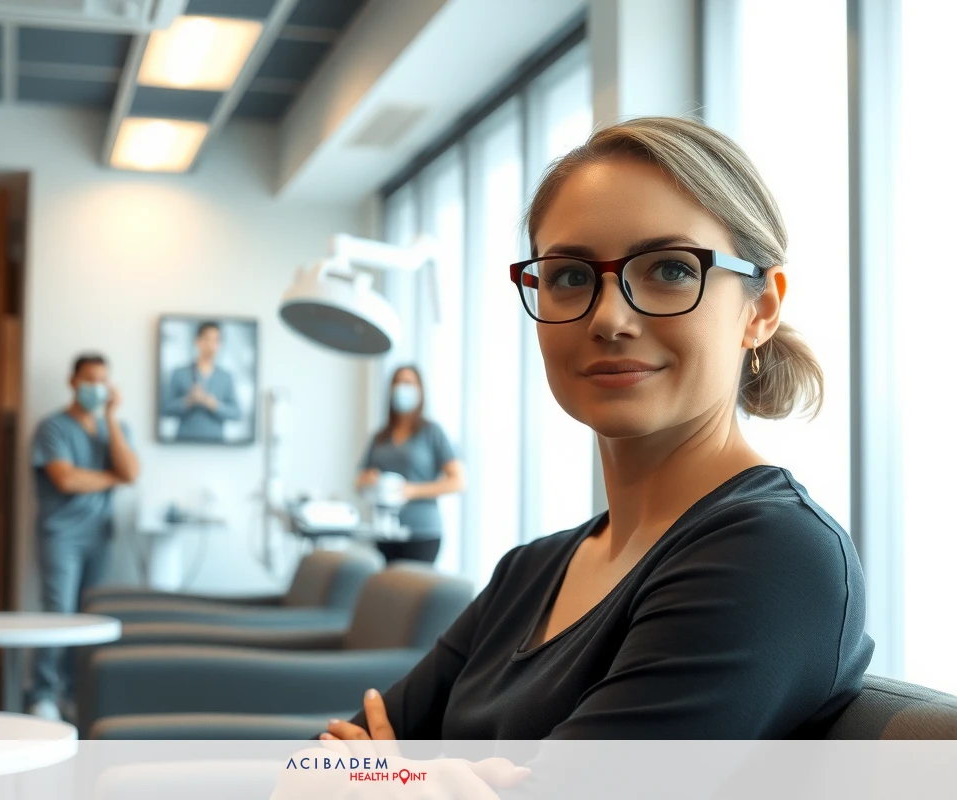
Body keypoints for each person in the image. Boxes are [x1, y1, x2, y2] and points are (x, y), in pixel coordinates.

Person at [323, 117, 874, 742]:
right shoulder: (528, 572)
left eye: (669, 269)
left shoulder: (774, 557)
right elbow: (323, 768)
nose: (610, 317)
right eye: (569, 276)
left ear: (761, 309)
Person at [28, 353, 139, 720]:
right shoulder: (52, 428)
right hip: (61, 535)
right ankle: (43, 693)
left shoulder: (115, 430)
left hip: (100, 536)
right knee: (58, 614)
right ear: (72, 381)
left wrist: (110, 417)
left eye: (102, 381)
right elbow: (67, 479)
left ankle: (75, 694)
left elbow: (131, 472)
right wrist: (109, 479)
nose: (96, 388)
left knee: (91, 618)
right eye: (89, 379)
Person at [357, 365, 465, 564]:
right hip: (385, 532)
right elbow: (360, 480)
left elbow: (457, 481)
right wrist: (368, 480)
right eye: (398, 382)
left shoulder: (432, 432)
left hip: (422, 532)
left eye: (409, 383)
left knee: (413, 591)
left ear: (420, 390)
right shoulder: (380, 437)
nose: (402, 388)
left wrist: (411, 491)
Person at [163, 321, 241, 442]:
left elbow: (236, 413)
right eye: (207, 339)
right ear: (197, 341)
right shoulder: (179, 373)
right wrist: (188, 401)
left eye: (216, 341)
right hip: (183, 445)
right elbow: (165, 409)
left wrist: (214, 404)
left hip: (217, 445)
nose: (211, 346)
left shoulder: (226, 377)